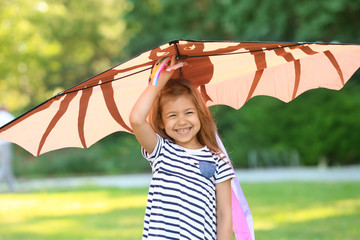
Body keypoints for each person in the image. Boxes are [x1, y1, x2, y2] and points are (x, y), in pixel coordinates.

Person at [130, 56, 235, 239]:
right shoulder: (161, 152)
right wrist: (159, 82)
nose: (182, 121)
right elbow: (136, 119)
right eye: (172, 115)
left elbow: (224, 213)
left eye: (188, 113)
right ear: (161, 122)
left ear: (200, 115)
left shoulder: (217, 160)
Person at [0, 105, 16, 192]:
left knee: (7, 167)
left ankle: (12, 188)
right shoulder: (7, 116)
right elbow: (17, 125)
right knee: (5, 166)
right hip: (5, 144)